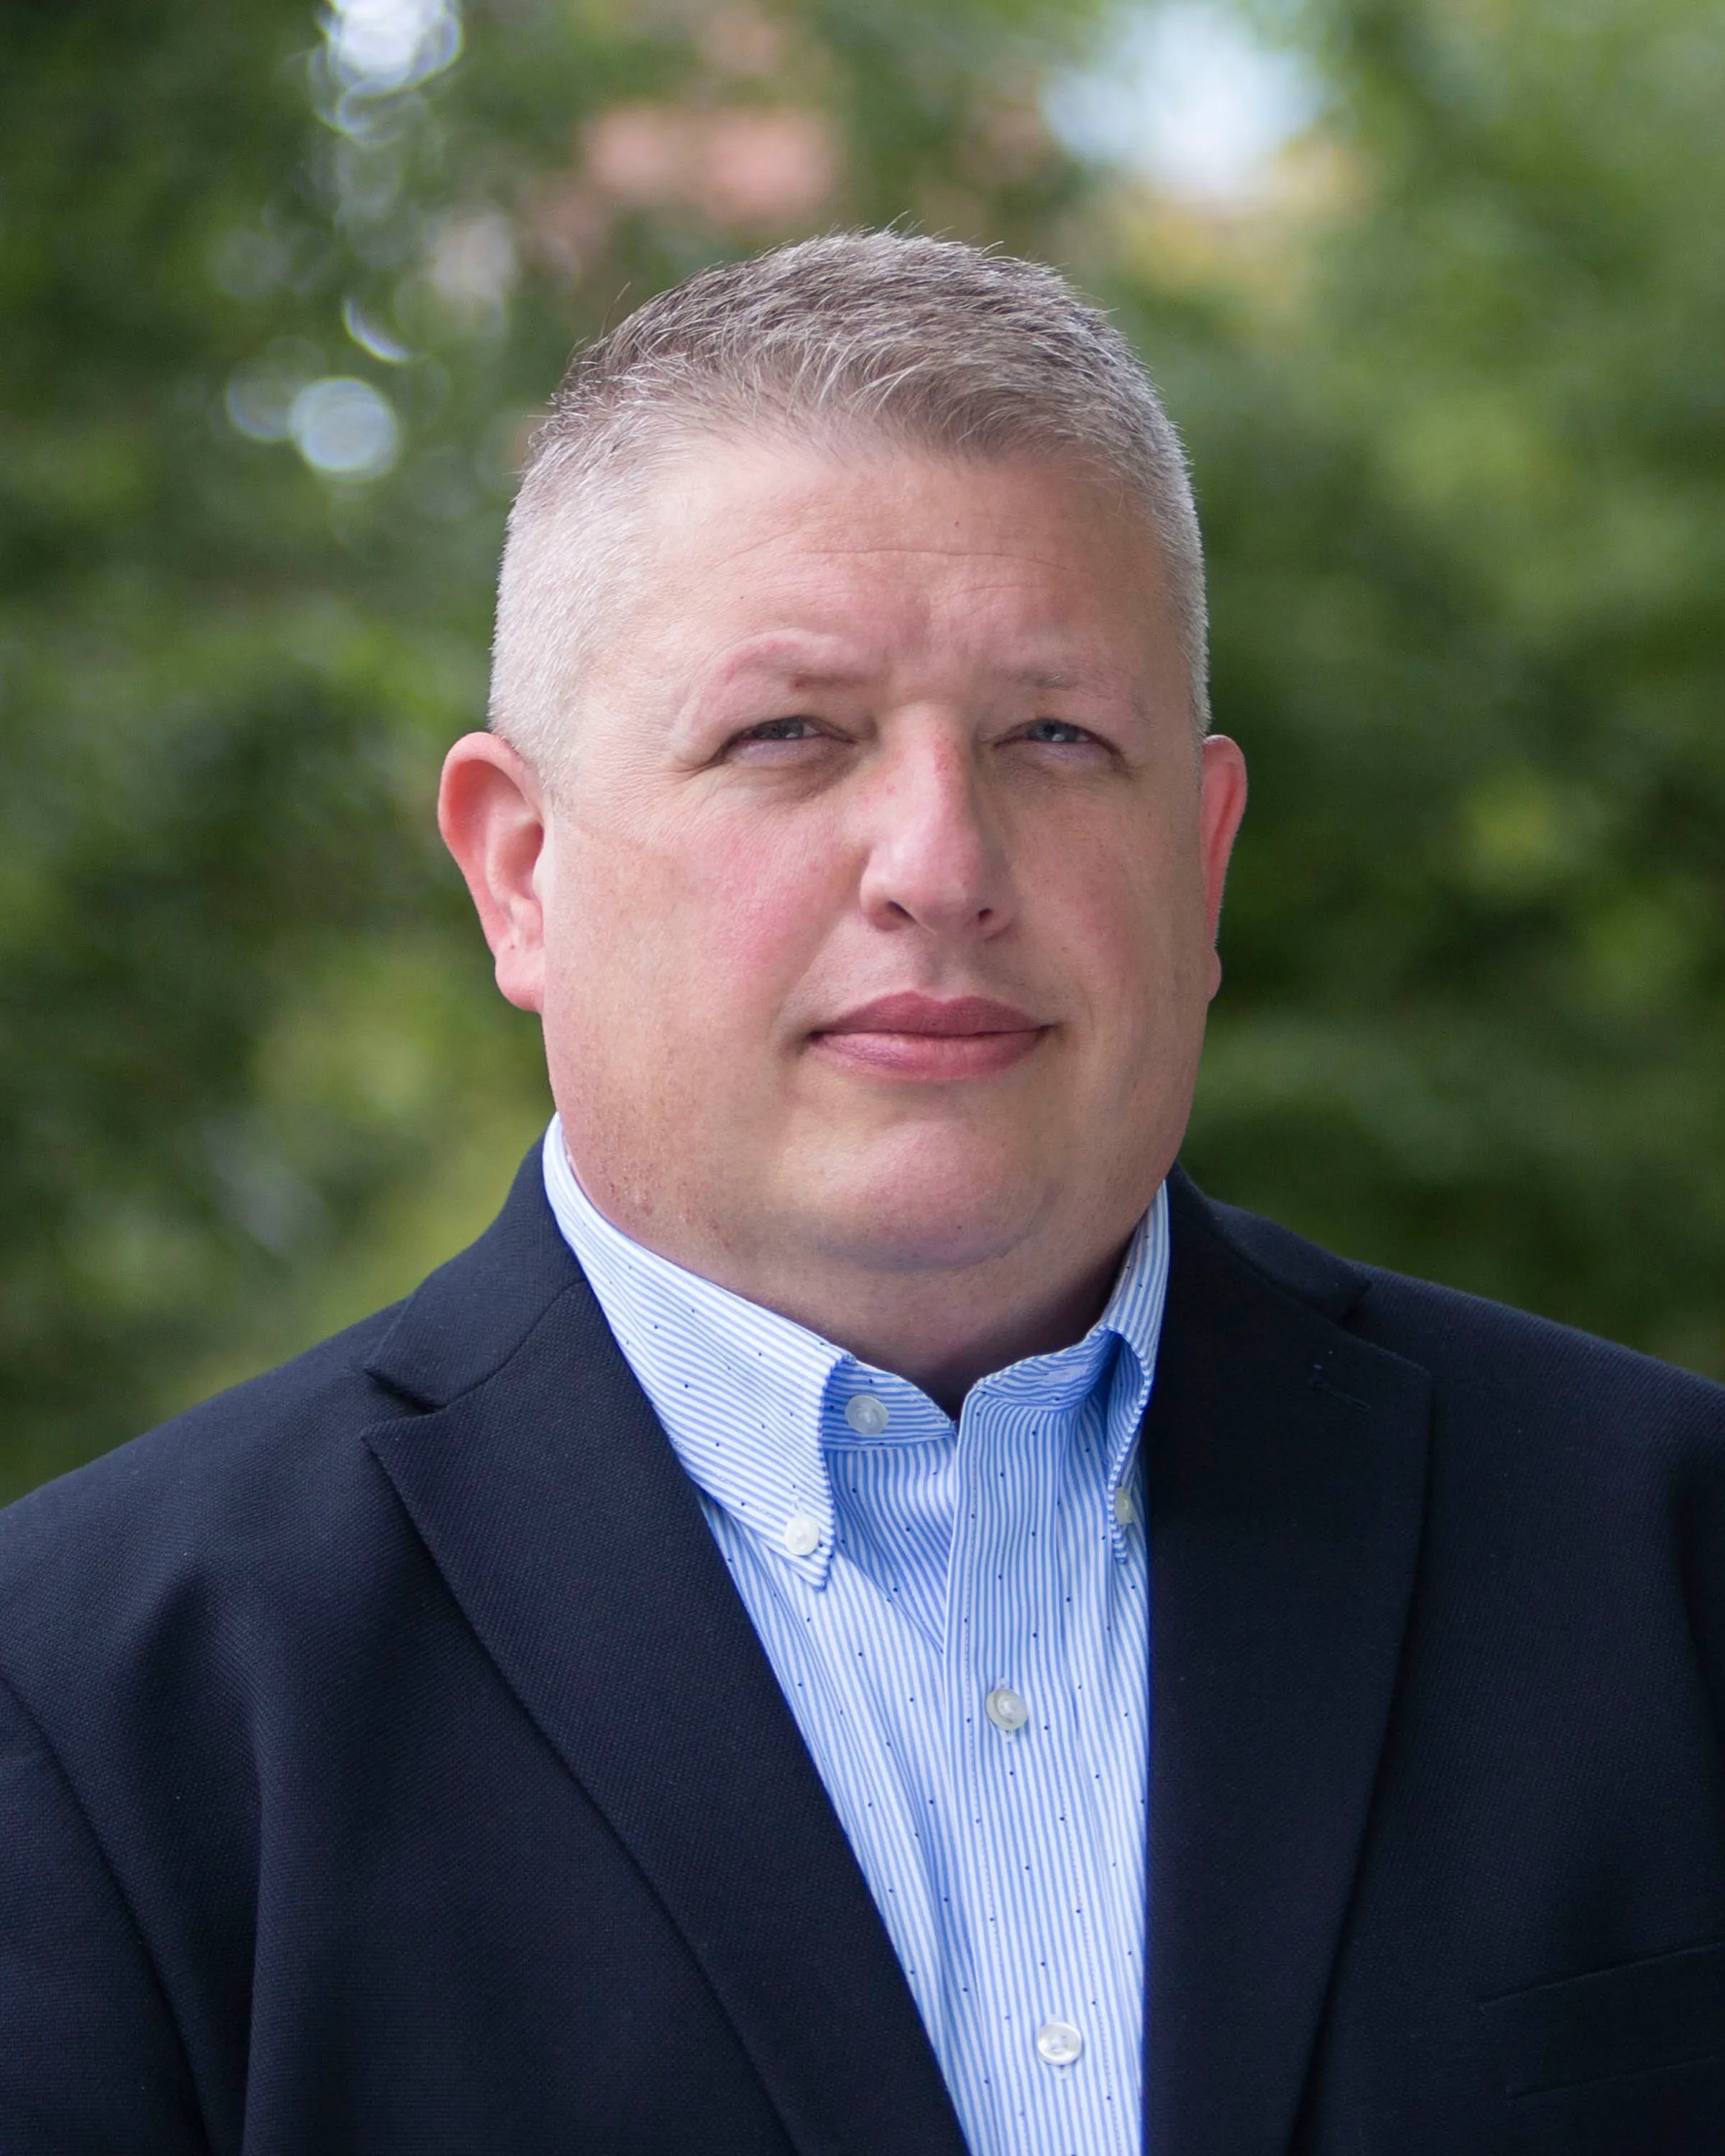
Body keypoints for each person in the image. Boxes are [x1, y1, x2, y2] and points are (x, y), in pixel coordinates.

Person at [1, 232, 1723, 2156]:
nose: (940, 861)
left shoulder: (1669, 1562)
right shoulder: (89, 1708)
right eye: (788, 735)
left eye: (1055, 737)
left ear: (1205, 857)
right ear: (519, 872)